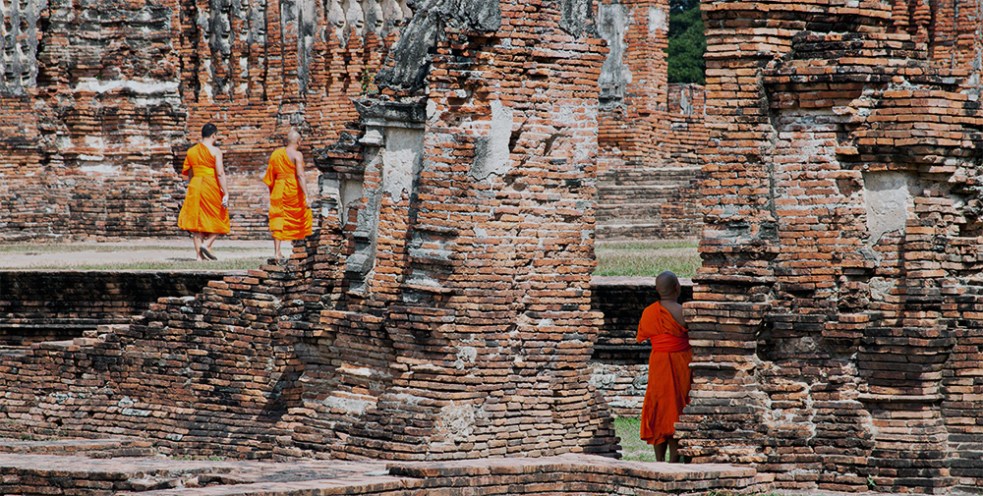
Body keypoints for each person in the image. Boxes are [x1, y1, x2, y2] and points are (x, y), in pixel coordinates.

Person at [637, 270, 692, 463]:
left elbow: (644, 336)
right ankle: (675, 459)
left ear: (657, 290)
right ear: (677, 288)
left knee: (659, 407)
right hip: (682, 363)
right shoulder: (684, 311)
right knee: (678, 407)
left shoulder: (649, 312)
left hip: (658, 363)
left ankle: (660, 460)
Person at [177, 123, 231, 261]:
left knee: (197, 221)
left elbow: (189, 173)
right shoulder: (215, 151)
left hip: (195, 185)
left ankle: (199, 257)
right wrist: (225, 192)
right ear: (214, 135)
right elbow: (220, 173)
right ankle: (206, 245)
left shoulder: (191, 151)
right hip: (210, 184)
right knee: (219, 217)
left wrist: (192, 185)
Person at [263, 129, 313, 260]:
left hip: (278, 189)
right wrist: (306, 195)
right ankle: (299, 249)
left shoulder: (276, 154)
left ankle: (277, 252)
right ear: (299, 141)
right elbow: (300, 175)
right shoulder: (297, 155)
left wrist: (274, 190)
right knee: (301, 215)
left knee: (278, 218)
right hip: (293, 190)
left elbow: (270, 176)